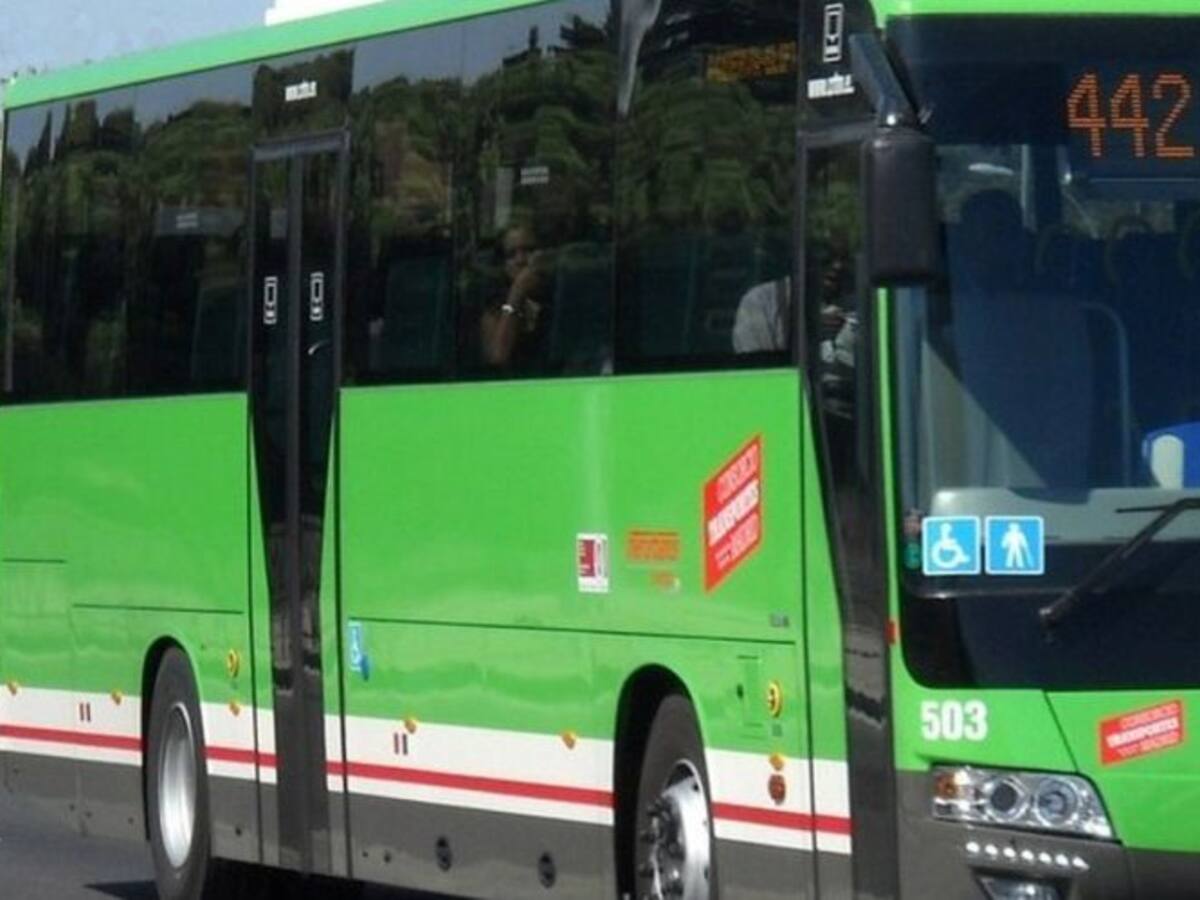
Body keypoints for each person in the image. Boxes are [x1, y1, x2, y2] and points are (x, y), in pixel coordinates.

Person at [479, 223, 550, 371]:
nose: (521, 260)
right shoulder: (494, 297)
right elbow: (498, 356)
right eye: (511, 255)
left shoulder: (558, 291)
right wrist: (516, 292)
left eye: (529, 250)